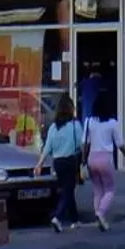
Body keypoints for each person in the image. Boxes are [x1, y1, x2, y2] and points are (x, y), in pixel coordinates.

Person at [35, 94, 85, 230]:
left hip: (57, 162)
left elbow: (47, 147)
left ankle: (75, 219)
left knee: (67, 189)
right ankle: (57, 217)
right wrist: (84, 160)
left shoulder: (53, 127)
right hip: (71, 161)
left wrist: (39, 164)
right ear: (71, 109)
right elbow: (81, 144)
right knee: (68, 191)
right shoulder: (75, 125)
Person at [83, 91, 125, 231]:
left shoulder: (89, 122)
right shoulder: (112, 123)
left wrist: (84, 160)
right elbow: (120, 144)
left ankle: (99, 218)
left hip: (92, 158)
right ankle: (101, 213)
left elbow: (85, 143)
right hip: (106, 159)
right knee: (109, 189)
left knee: (97, 190)